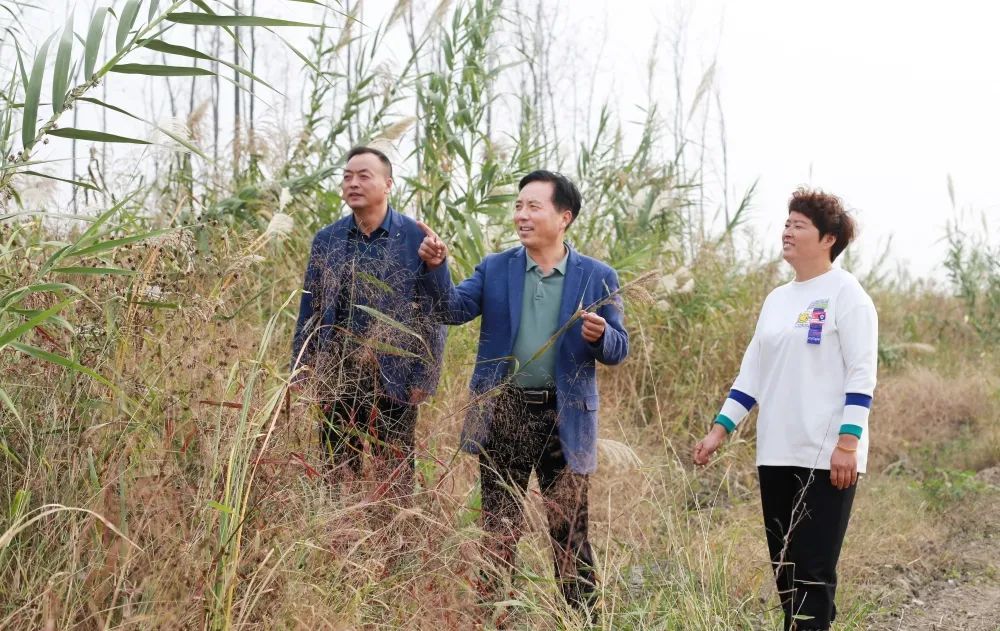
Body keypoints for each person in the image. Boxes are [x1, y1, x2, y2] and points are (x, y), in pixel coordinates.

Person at [416, 170, 629, 616]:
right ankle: (494, 618)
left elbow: (618, 349)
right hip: (504, 413)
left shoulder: (597, 276)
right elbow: (450, 309)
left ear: (564, 217)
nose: (521, 215)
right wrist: (437, 267)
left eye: (534, 206)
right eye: (518, 206)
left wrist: (600, 335)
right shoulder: (496, 268)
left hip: (564, 417)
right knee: (499, 531)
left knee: (569, 533)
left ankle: (580, 622)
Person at [692, 188, 878, 631]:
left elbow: (862, 374)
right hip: (775, 452)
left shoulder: (846, 294)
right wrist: (719, 431)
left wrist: (847, 443)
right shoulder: (777, 300)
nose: (787, 231)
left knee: (813, 569)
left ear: (828, 238)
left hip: (827, 455)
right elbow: (751, 375)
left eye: (799, 225)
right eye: (787, 222)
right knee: (786, 570)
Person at [291, 146, 445, 508]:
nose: (353, 183)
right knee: (335, 471)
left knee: (392, 476)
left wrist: (427, 375)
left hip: (395, 376)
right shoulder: (326, 239)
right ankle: (339, 542)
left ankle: (391, 545)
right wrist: (301, 366)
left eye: (364, 176)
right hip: (336, 374)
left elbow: (435, 312)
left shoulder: (414, 238)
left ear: (388, 184)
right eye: (347, 176)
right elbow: (309, 307)